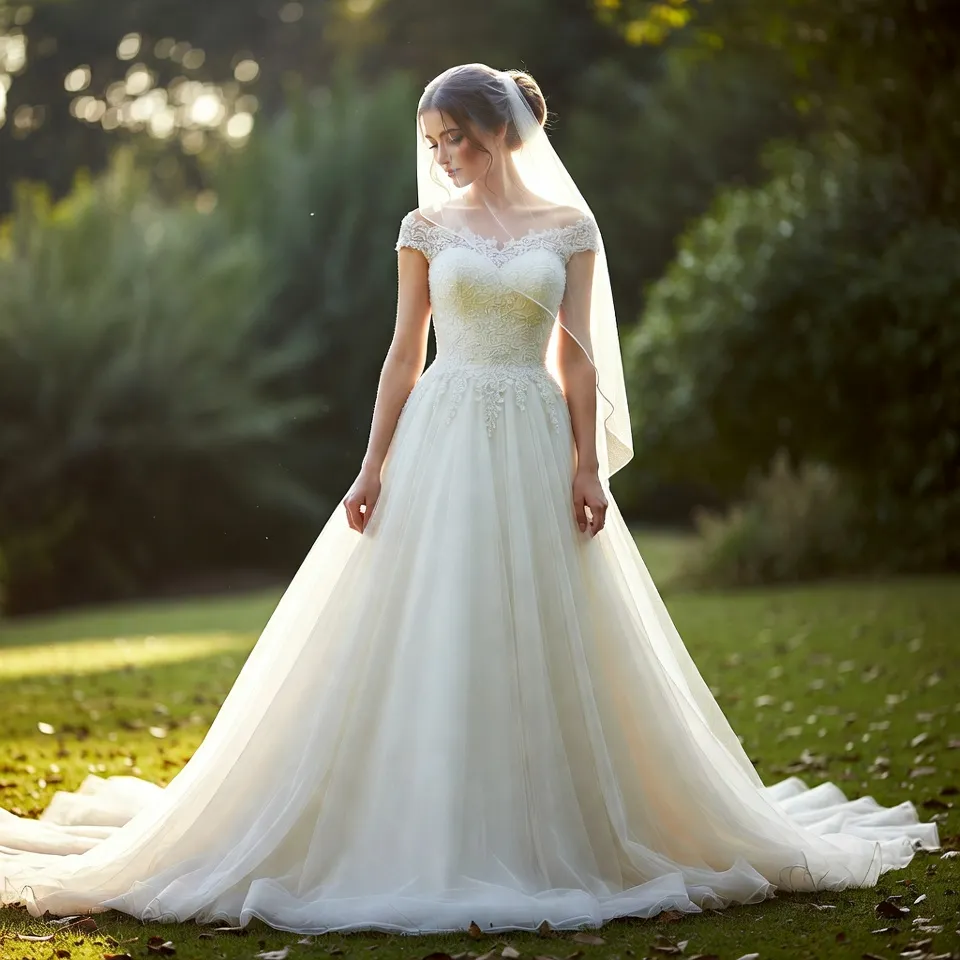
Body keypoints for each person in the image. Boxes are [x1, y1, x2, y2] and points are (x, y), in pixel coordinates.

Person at [0, 63, 939, 935]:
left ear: (502, 131)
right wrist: (372, 465)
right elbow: (403, 353)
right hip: (440, 435)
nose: (443, 154)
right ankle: (419, 812)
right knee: (435, 613)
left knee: (545, 621)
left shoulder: (569, 229)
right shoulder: (425, 229)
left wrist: (587, 465)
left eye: (455, 136)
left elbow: (577, 355)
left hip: (533, 433)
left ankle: (548, 818)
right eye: (433, 139)